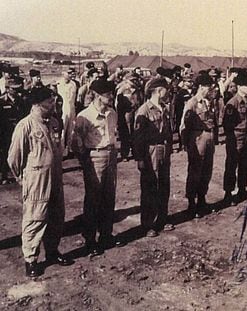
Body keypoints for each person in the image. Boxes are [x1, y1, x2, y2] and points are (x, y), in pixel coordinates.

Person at [8, 86, 73, 277]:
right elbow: (14, 158)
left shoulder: (53, 122)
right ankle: (31, 259)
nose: (53, 104)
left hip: (55, 178)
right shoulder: (25, 126)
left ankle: (52, 252)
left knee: (56, 215)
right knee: (35, 218)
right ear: (37, 104)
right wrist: (23, 177)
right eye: (49, 101)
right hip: (37, 180)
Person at [71, 79, 123, 256]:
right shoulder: (84, 116)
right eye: (108, 94)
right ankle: (90, 239)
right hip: (94, 157)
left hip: (111, 155)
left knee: (109, 197)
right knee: (93, 199)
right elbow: (76, 143)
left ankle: (106, 235)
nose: (111, 96)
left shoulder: (112, 113)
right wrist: (85, 160)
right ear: (98, 96)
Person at [132, 77, 175, 237]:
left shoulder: (164, 107)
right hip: (150, 151)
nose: (168, 92)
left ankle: (162, 219)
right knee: (150, 187)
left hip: (163, 149)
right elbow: (137, 137)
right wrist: (140, 158)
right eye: (166, 90)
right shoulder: (144, 111)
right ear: (158, 90)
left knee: (164, 185)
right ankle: (148, 224)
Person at [180, 73, 215, 218]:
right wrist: (186, 144)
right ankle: (191, 203)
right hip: (197, 138)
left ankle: (202, 199)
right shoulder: (192, 103)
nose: (210, 90)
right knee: (195, 171)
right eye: (208, 87)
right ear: (201, 87)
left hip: (208, 139)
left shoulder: (208, 102)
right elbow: (183, 126)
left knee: (206, 170)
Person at [222, 69, 247, 205]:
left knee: (245, 165)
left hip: (245, 136)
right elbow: (227, 124)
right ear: (239, 87)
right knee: (231, 166)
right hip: (235, 137)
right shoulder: (232, 103)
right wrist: (233, 139)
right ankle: (228, 194)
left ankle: (242, 190)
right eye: (245, 86)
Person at [0, 76, 26, 184]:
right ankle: (4, 176)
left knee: (19, 151)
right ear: (7, 89)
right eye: (14, 89)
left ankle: (18, 173)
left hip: (18, 131)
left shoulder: (21, 101)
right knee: (5, 153)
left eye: (17, 89)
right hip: (5, 131)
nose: (16, 91)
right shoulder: (2, 102)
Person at [57, 69, 77, 157]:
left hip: (71, 108)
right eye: (68, 73)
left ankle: (69, 149)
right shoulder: (59, 84)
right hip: (63, 109)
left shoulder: (73, 84)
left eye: (70, 73)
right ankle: (61, 151)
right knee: (62, 130)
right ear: (63, 73)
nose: (70, 74)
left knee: (71, 129)